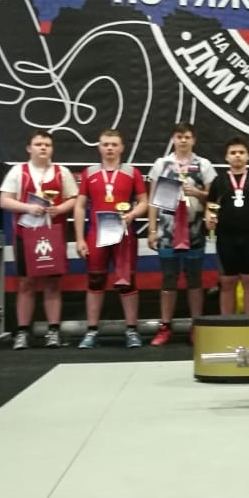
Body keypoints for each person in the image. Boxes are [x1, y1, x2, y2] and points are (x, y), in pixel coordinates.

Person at [0, 129, 77, 349]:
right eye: (38, 144)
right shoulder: (18, 171)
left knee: (53, 283)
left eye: (47, 145)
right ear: (29, 148)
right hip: (26, 234)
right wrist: (28, 208)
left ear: (52, 149)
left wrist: (59, 208)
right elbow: (4, 201)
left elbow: (74, 199)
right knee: (26, 283)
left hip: (53, 234)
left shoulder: (62, 172)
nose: (43, 148)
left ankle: (53, 331)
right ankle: (23, 332)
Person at [73, 128, 149, 349]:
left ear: (122, 148)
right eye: (106, 144)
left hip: (124, 234)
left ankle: (132, 330)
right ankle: (91, 331)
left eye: (114, 144)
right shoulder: (89, 173)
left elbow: (144, 202)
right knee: (95, 281)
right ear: (99, 147)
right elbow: (79, 206)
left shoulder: (132, 172)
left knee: (128, 282)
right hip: (96, 234)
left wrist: (132, 214)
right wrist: (79, 239)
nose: (109, 148)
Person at [147, 122, 216, 345]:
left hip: (194, 231)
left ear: (193, 140)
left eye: (187, 136)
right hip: (168, 232)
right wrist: (152, 230)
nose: (183, 140)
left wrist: (197, 192)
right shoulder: (162, 164)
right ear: (173, 139)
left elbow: (213, 198)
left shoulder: (203, 165)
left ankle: (197, 326)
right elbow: (153, 200)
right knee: (169, 279)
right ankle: (165, 326)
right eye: (179, 136)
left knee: (194, 280)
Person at [204, 138, 249, 315]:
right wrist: (209, 220)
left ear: (248, 156)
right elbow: (210, 207)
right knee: (227, 282)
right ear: (226, 157)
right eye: (233, 153)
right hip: (226, 239)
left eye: (241, 152)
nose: (237, 156)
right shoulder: (219, 181)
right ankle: (227, 324)